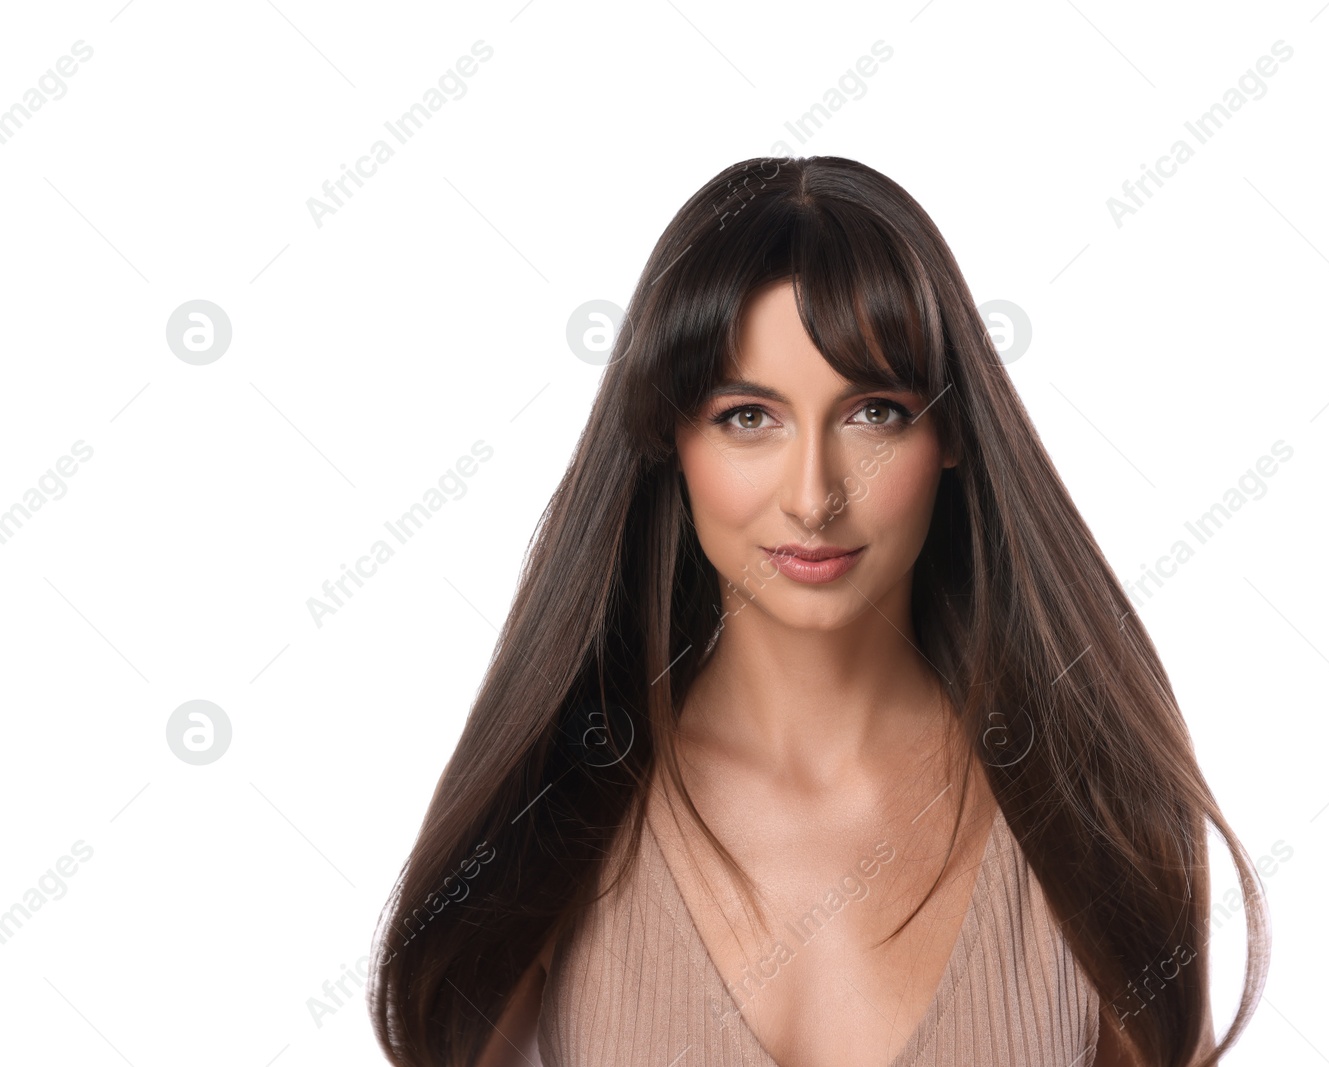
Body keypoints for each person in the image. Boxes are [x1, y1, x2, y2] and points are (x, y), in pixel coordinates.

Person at [369, 155, 1268, 1067]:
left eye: (873, 411)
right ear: (667, 439)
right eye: (747, 417)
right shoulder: (553, 808)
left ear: (953, 431)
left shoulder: (1094, 809)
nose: (814, 496)